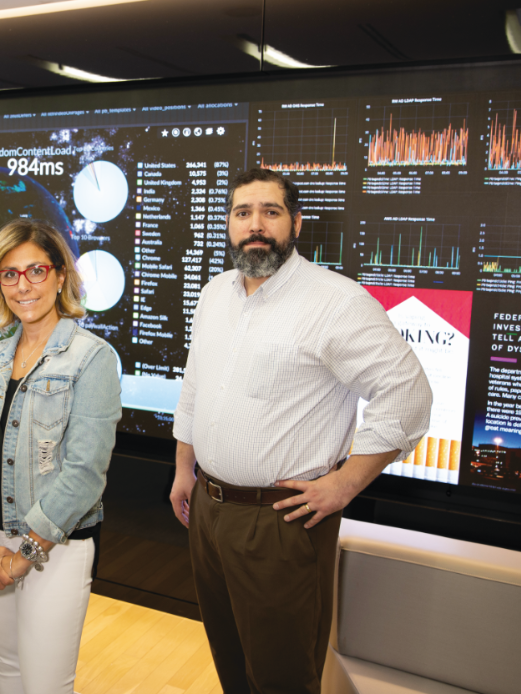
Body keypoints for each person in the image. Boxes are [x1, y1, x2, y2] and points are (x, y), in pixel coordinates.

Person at [170, 168, 431, 694]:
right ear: (228, 225)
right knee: (231, 660)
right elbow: (196, 384)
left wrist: (345, 483)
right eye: (243, 213)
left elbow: (408, 392)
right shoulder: (215, 293)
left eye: (271, 212)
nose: (256, 225)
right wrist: (183, 468)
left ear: (296, 223)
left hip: (280, 522)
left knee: (283, 676)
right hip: (209, 509)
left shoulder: (335, 301)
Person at [0, 219, 121, 694]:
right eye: (10, 274)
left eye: (36, 270)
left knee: (45, 686)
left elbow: (84, 476)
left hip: (54, 549)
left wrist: (23, 558)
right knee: (10, 669)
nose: (24, 285)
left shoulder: (92, 358)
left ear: (60, 276)